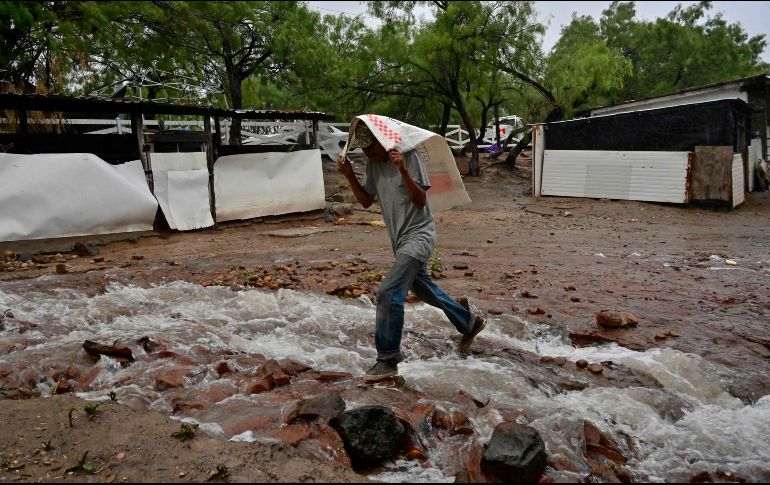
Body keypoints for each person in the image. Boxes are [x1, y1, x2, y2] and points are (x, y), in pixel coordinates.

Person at [337, 122, 486, 382]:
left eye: (369, 148)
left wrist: (402, 171)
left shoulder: (408, 157)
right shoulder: (373, 164)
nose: (367, 154)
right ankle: (468, 322)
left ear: (381, 142)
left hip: (419, 236)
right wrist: (349, 174)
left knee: (388, 292)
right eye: (363, 150)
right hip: (401, 241)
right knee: (422, 288)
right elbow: (365, 200)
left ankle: (387, 360)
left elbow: (419, 200)